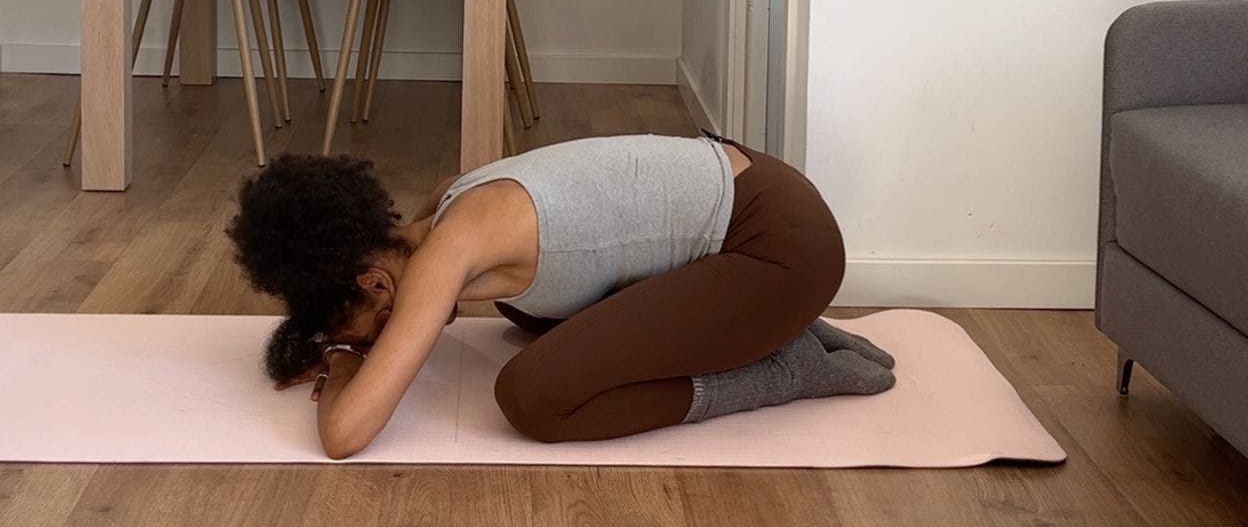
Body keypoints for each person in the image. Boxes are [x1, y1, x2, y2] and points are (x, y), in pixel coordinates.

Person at [226, 134, 894, 459]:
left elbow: (344, 435)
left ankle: (782, 366)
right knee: (526, 305)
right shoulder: (446, 203)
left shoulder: (445, 252)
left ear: (376, 281)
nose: (382, 339)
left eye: (375, 323)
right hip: (752, 198)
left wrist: (343, 363)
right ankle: (768, 329)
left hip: (779, 250)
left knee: (534, 397)